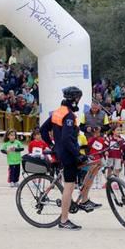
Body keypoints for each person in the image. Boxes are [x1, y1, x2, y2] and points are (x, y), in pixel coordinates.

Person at [40, 86, 100, 230]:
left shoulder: (58, 112)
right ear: (74, 99)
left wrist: (52, 145)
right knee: (69, 186)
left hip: (64, 152)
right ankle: (64, 220)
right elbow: (67, 139)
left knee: (96, 164)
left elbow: (43, 129)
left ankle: (84, 200)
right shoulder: (68, 115)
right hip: (68, 154)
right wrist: (77, 154)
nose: (79, 101)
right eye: (78, 98)